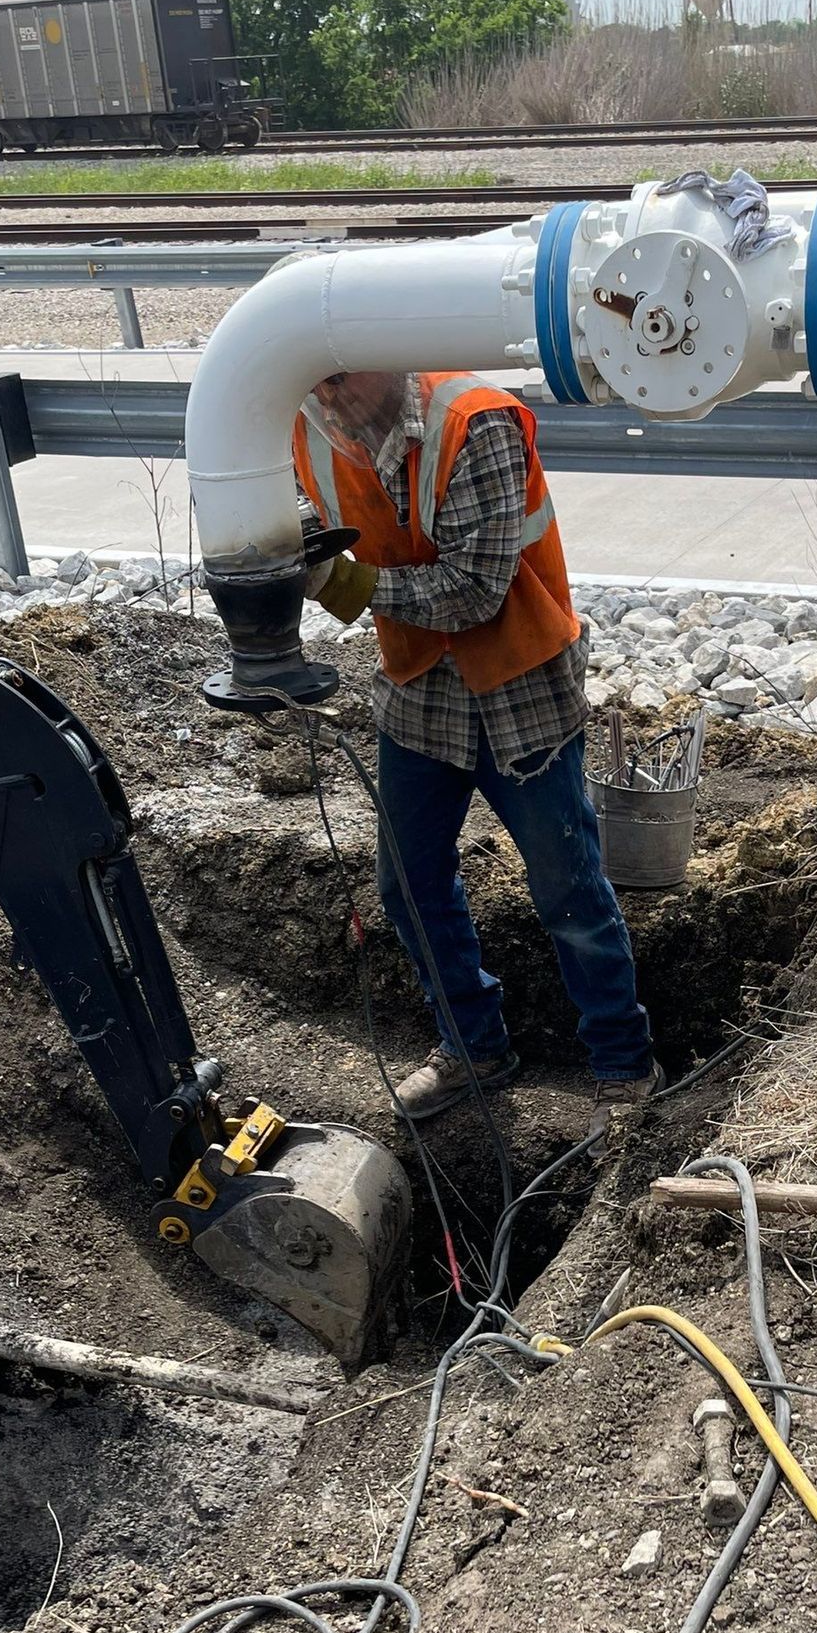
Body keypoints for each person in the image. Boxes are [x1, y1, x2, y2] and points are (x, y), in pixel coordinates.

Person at [297, 367, 661, 1139]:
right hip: (419, 692)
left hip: (519, 688)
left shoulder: (477, 423)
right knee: (409, 884)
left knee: (569, 889)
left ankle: (625, 1064)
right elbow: (300, 516)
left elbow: (472, 591)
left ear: (381, 354)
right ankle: (474, 1046)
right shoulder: (306, 423)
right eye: (313, 385)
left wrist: (340, 583)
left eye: (337, 381)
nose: (328, 401)